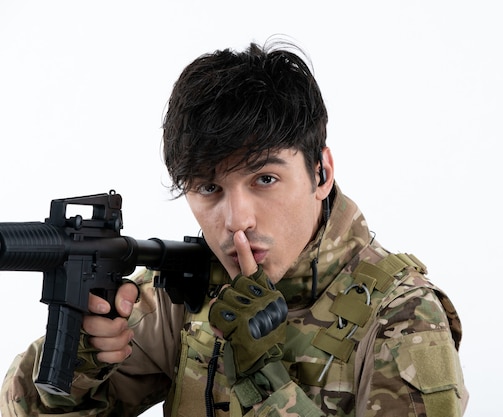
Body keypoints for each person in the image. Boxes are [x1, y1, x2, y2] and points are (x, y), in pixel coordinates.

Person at [1, 40, 469, 416]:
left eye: (265, 179)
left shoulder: (402, 318)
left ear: (321, 173)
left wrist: (263, 378)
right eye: (208, 188)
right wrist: (79, 365)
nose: (235, 220)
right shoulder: (184, 294)